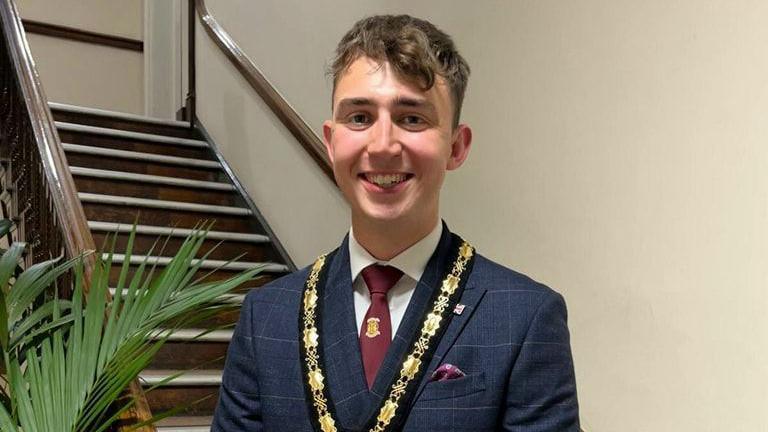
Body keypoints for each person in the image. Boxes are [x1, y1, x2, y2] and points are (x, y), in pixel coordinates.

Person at [212, 14, 579, 432]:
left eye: (412, 119)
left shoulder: (525, 316)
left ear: (456, 147)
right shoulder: (266, 317)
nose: (383, 145)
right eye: (360, 118)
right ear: (331, 143)